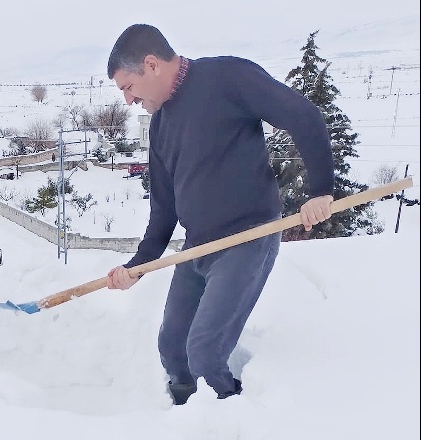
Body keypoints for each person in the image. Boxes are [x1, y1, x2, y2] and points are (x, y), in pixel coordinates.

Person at [105, 24, 335, 405]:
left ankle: (230, 416)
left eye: (128, 87)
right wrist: (136, 268)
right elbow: (163, 214)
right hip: (197, 248)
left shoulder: (227, 77)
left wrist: (320, 191)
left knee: (206, 354)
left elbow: (303, 116)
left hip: (248, 240)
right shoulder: (160, 127)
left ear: (151, 65)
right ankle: (184, 417)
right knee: (172, 349)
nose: (128, 100)